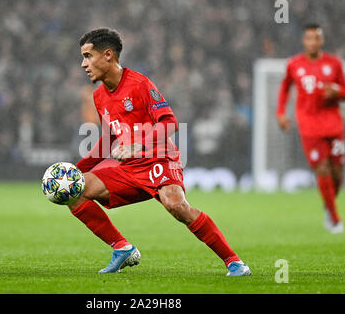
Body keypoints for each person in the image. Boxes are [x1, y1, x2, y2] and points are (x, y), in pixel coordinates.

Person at [67, 28, 251, 276]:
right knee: (74, 192)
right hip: (129, 169)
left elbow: (169, 123)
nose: (83, 64)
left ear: (108, 55)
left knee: (176, 206)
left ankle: (235, 262)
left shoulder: (139, 84)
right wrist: (76, 171)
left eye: (88, 56)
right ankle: (122, 248)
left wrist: (137, 145)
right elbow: (109, 139)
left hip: (159, 160)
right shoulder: (99, 95)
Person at [276, 24, 345, 233]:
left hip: (334, 124)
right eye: (309, 38)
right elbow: (284, 89)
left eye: (316, 38)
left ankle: (328, 205)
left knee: (337, 174)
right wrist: (280, 113)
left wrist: (336, 91)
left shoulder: (333, 64)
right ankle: (335, 219)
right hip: (309, 125)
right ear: (304, 40)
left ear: (322, 41)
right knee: (322, 169)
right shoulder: (294, 64)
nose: (313, 42)